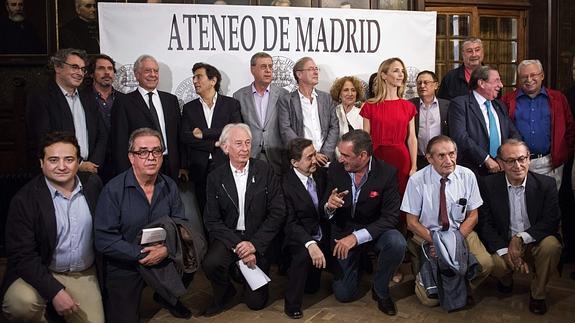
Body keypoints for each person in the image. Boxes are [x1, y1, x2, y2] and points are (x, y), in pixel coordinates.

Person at [1, 132, 104, 322]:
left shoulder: (93, 185)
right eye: (53, 160)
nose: (62, 166)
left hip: (83, 274)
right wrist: (55, 292)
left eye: (69, 159)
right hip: (42, 270)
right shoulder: (25, 199)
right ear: (42, 163)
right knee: (22, 304)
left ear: (78, 162)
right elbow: (22, 255)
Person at [95, 128, 193, 322]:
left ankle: (167, 296)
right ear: (131, 157)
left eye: (157, 151)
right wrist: (139, 253)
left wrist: (167, 250)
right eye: (143, 152)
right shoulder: (113, 190)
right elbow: (104, 239)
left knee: (193, 256)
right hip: (126, 264)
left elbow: (180, 224)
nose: (151, 157)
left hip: (163, 255)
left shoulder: (169, 186)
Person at [202, 123, 285, 316]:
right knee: (211, 263)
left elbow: (278, 212)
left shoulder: (264, 170)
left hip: (258, 237)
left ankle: (241, 274)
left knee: (256, 303)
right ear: (225, 147)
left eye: (248, 143)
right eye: (238, 143)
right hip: (230, 237)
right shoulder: (215, 177)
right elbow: (212, 220)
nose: (245, 148)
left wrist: (254, 245)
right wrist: (239, 246)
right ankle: (224, 291)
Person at [401, 135, 493, 309]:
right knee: (430, 300)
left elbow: (473, 215)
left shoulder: (467, 175)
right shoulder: (417, 180)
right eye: (441, 156)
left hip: (460, 232)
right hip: (427, 235)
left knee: (486, 265)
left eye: (452, 154)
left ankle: (460, 289)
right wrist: (437, 242)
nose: (449, 160)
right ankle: (426, 274)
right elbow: (412, 223)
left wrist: (452, 242)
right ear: (429, 158)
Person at [323, 130, 406, 316]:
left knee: (397, 242)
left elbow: (390, 217)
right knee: (344, 294)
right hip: (342, 233)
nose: (341, 159)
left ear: (363, 156)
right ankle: (359, 263)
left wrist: (356, 237)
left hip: (373, 232)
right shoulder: (335, 169)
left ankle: (381, 288)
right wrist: (329, 206)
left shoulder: (387, 173)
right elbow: (324, 206)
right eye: (340, 153)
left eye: (346, 155)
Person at [477, 139, 562, 315]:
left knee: (552, 246)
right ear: (500, 163)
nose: (518, 165)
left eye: (522, 159)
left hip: (534, 240)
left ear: (529, 159)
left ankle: (537, 294)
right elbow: (485, 224)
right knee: (496, 264)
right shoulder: (488, 184)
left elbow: (551, 221)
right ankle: (506, 279)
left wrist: (520, 238)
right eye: (510, 161)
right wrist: (504, 250)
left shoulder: (546, 184)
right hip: (503, 242)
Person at [25, 48, 108, 174]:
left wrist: (94, 164)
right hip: (58, 173)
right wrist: (77, 165)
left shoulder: (88, 98)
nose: (80, 73)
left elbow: (102, 134)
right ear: (58, 68)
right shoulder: (41, 98)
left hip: (90, 173)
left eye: (82, 69)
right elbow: (43, 139)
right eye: (74, 67)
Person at [501, 59, 575, 190]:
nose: (529, 79)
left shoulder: (558, 98)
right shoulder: (508, 100)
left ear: (542, 75)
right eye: (524, 76)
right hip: (517, 164)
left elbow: (570, 128)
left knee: (548, 206)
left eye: (533, 75)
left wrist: (562, 154)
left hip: (550, 162)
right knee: (520, 205)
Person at [111, 54, 184, 181]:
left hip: (170, 166)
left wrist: (183, 165)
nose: (153, 74)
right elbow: (120, 140)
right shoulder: (124, 102)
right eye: (147, 71)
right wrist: (124, 173)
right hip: (141, 167)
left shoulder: (171, 100)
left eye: (156, 71)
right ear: (136, 74)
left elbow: (178, 135)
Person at [181, 62, 242, 214]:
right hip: (199, 168)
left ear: (213, 80)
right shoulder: (189, 108)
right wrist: (214, 143)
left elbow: (234, 130)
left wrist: (204, 134)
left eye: (199, 77)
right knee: (205, 212)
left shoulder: (231, 104)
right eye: (194, 77)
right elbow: (186, 137)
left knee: (229, 210)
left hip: (226, 165)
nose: (194, 81)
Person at [282, 138, 328, 319]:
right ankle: (292, 303)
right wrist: (310, 243)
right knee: (302, 256)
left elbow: (325, 208)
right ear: (294, 162)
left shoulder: (321, 174)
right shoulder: (284, 184)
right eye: (309, 157)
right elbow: (290, 223)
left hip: (323, 232)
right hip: (298, 237)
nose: (315, 160)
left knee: (313, 288)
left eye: (315, 154)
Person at [449, 65, 520, 176]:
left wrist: (510, 156)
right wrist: (486, 159)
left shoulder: (499, 105)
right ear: (481, 83)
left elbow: (512, 132)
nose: (501, 85)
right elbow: (460, 137)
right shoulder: (460, 104)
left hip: (502, 169)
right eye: (497, 80)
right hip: (474, 170)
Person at [360, 57, 417, 195]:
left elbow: (412, 138)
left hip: (401, 159)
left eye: (402, 71)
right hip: (377, 157)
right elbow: (365, 137)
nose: (401, 74)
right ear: (384, 75)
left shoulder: (408, 106)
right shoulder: (370, 106)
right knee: (375, 197)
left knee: (401, 196)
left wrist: (414, 166)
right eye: (396, 71)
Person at [233, 52, 289, 175]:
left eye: (270, 66)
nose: (268, 71)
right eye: (263, 67)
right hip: (250, 155)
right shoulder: (239, 96)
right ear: (252, 69)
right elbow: (237, 129)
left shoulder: (283, 94)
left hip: (277, 156)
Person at [278, 57, 339, 166]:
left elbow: (334, 126)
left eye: (316, 69)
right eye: (311, 69)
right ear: (299, 74)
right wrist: (311, 154)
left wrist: (325, 153)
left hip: (326, 161)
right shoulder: (286, 100)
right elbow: (285, 130)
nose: (316, 72)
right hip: (301, 161)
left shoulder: (326, 98)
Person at [83, 53, 123, 182]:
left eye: (110, 69)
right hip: (92, 164)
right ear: (91, 73)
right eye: (101, 68)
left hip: (121, 164)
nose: (107, 72)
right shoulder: (81, 98)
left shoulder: (124, 99)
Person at [409, 71, 450, 169]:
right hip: (417, 159)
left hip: (441, 158)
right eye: (419, 83)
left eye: (426, 82)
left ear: (435, 85)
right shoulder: (410, 105)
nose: (422, 86)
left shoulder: (447, 106)